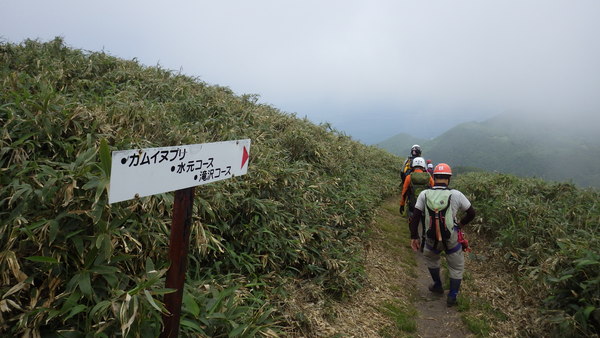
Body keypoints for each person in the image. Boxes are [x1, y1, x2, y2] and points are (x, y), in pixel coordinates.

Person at [408, 163, 476, 306]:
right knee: (456, 267)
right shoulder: (456, 194)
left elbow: (415, 218)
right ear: (448, 178)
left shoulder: (424, 194)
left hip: (431, 237)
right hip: (451, 236)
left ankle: (437, 285)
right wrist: (461, 224)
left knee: (432, 260)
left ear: (434, 177)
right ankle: (452, 296)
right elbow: (471, 213)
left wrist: (414, 236)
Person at [399, 157, 434, 221]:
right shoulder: (428, 176)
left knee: (412, 222)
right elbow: (434, 189)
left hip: (412, 205)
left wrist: (402, 204)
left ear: (413, 166)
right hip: (425, 205)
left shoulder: (409, 177)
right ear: (423, 166)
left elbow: (404, 192)